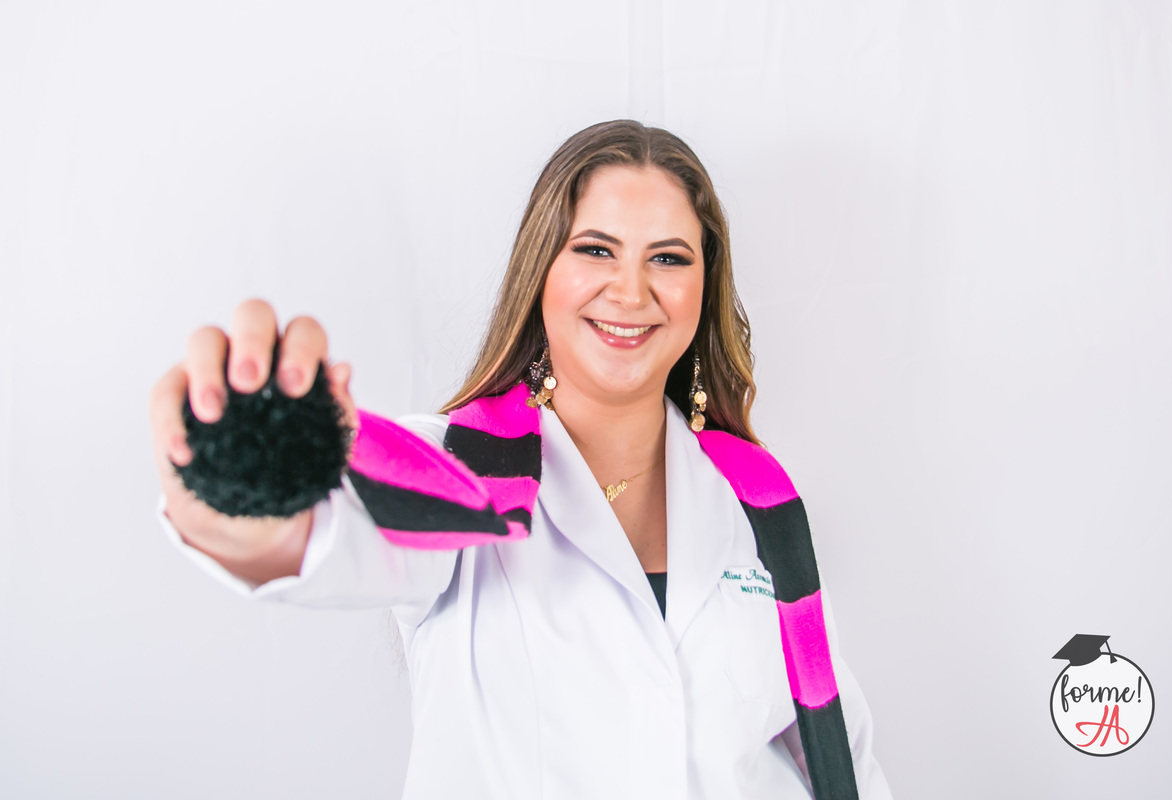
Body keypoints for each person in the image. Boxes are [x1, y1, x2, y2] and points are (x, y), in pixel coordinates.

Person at [149, 120, 892, 800]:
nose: (631, 290)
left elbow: (842, 756)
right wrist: (237, 468)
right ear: (542, 271)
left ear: (705, 286)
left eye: (668, 258)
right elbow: (297, 538)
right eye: (595, 249)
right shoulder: (454, 469)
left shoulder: (758, 501)